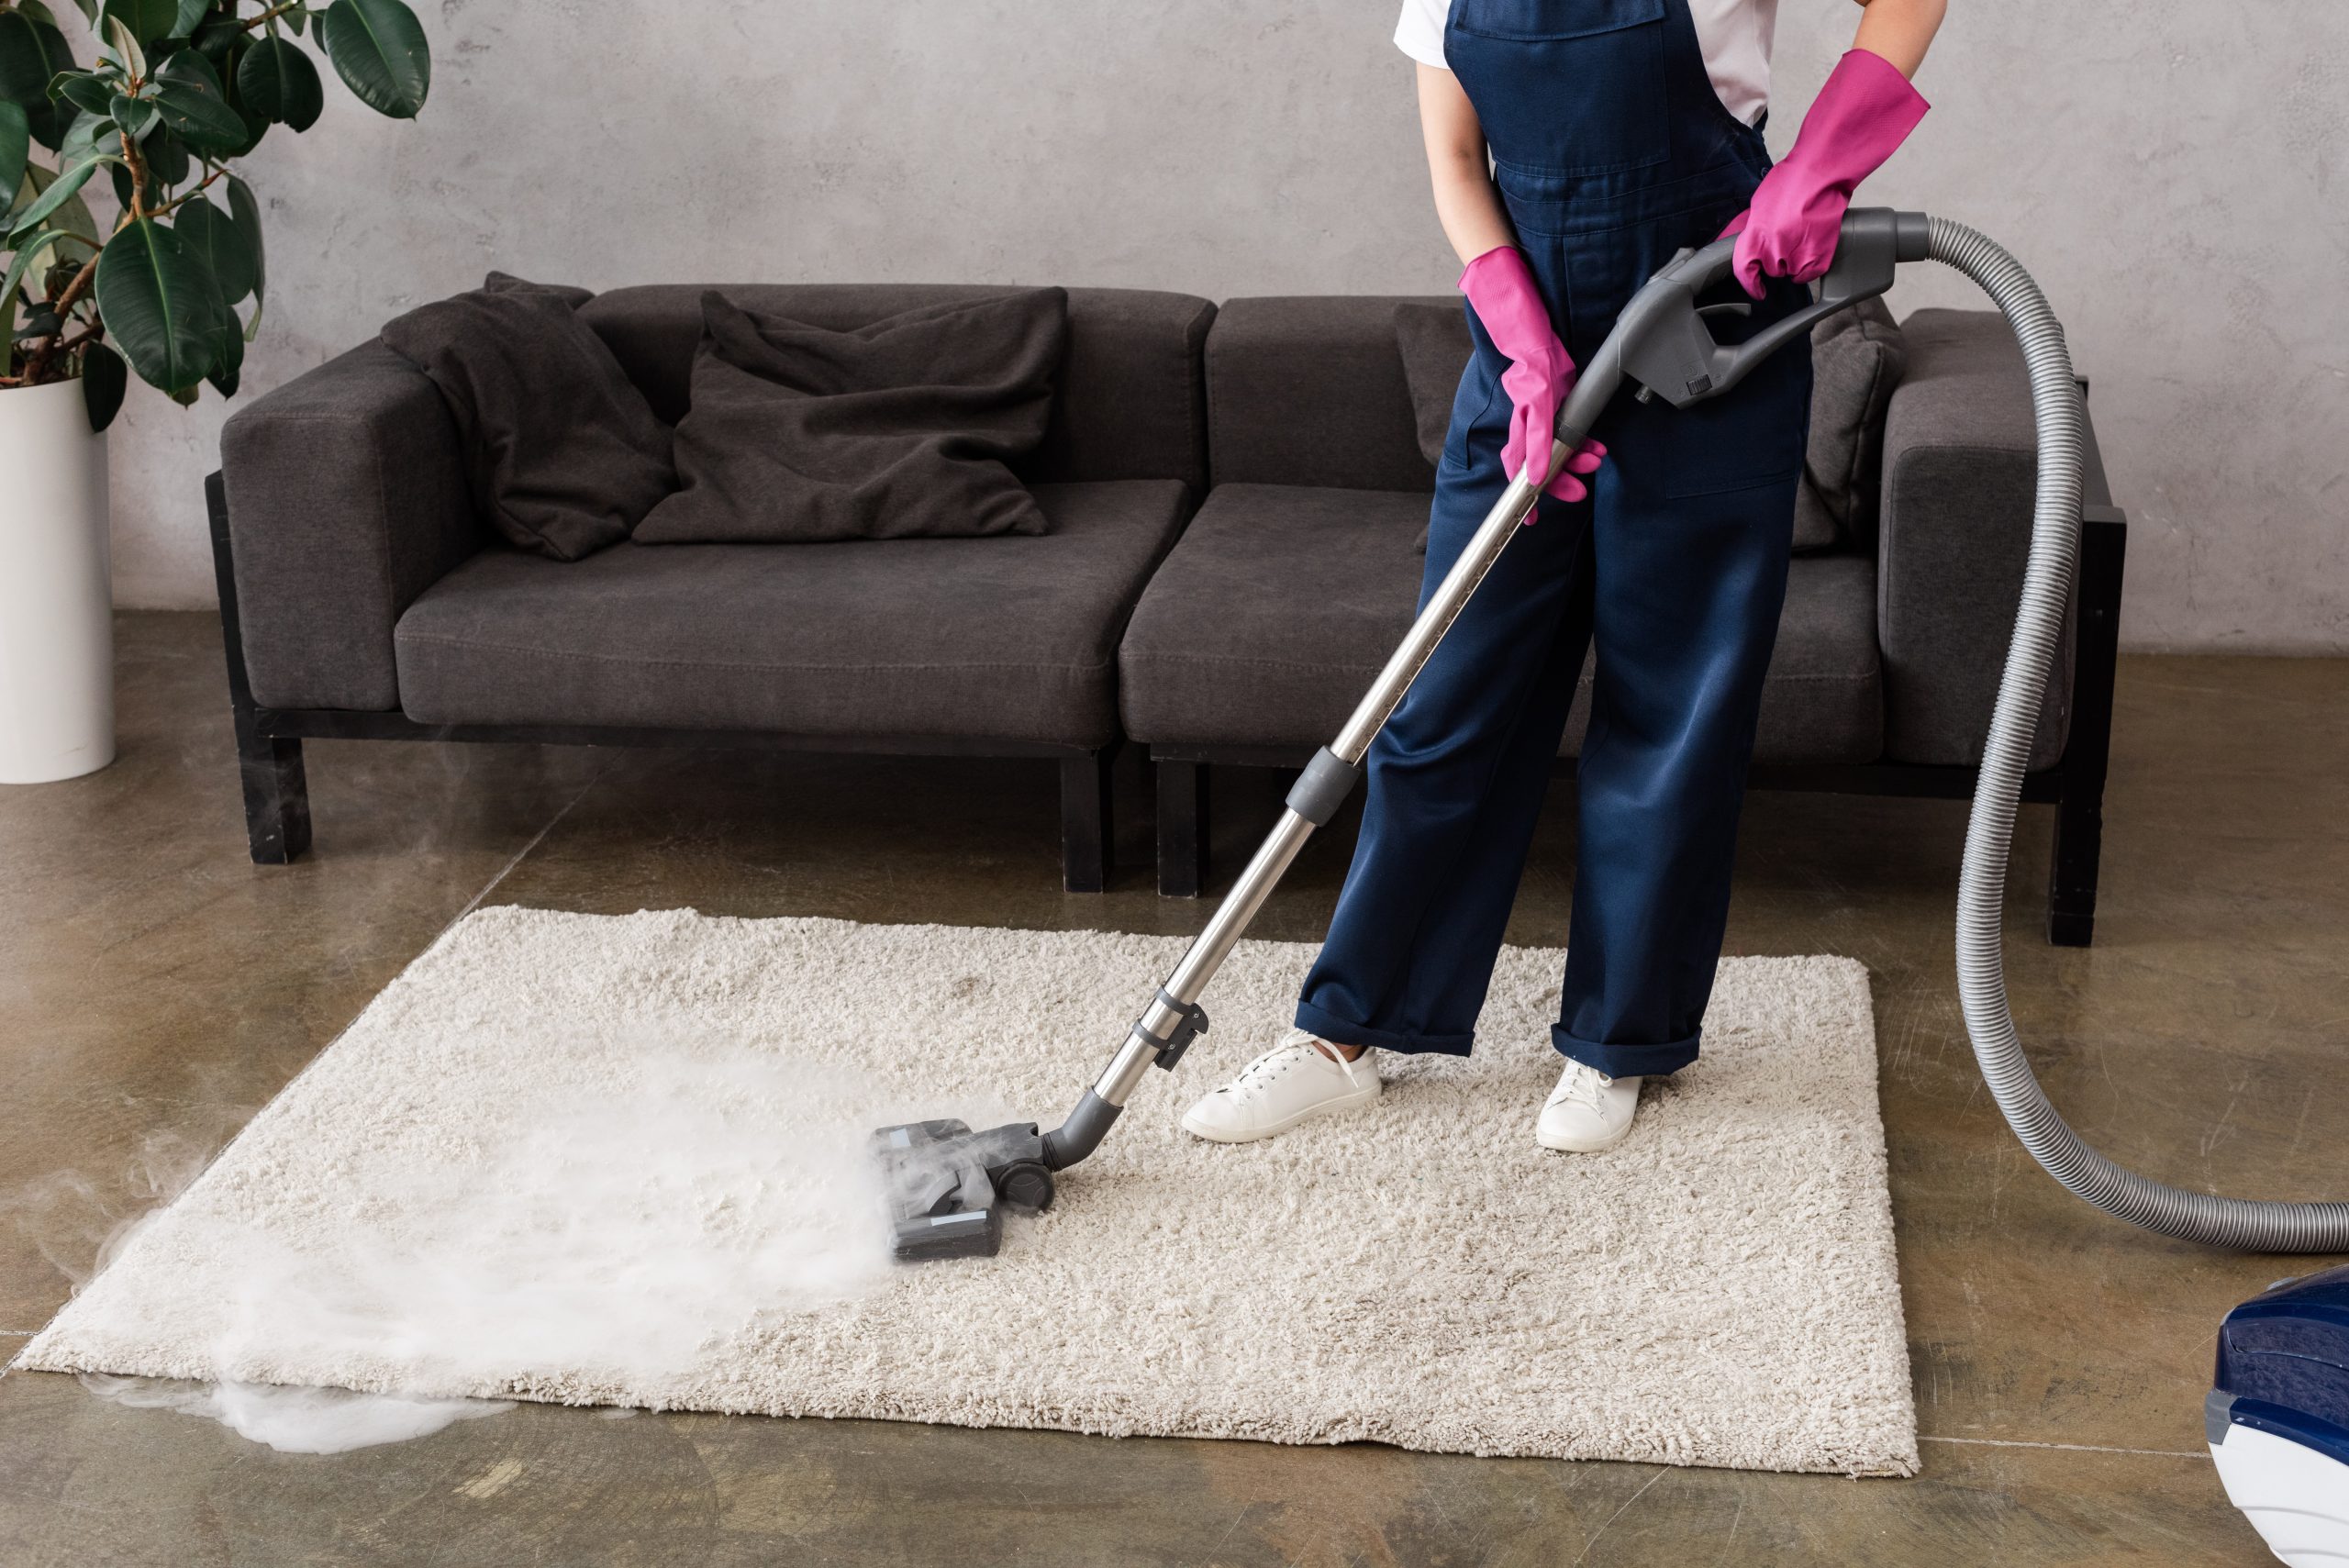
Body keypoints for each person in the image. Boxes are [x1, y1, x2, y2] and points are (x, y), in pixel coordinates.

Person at [1181, 0, 1943, 1152]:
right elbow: (1453, 157)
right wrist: (1516, 331)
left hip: (1709, 322)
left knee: (1671, 706)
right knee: (1444, 700)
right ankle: (1345, 1031)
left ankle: (1610, 1044)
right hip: (1526, 353)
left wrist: (1821, 164)